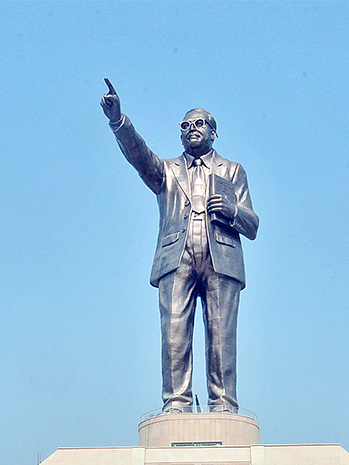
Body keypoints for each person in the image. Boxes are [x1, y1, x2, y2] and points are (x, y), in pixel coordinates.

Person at [102, 81, 259, 413]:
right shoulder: (167, 172)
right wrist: (119, 122)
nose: (191, 130)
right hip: (177, 256)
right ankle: (176, 402)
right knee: (174, 335)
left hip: (222, 257)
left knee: (221, 336)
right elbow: (139, 156)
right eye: (185, 126)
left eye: (199, 123)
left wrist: (232, 212)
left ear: (214, 132)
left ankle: (223, 403)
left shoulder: (232, 171)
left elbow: (253, 224)